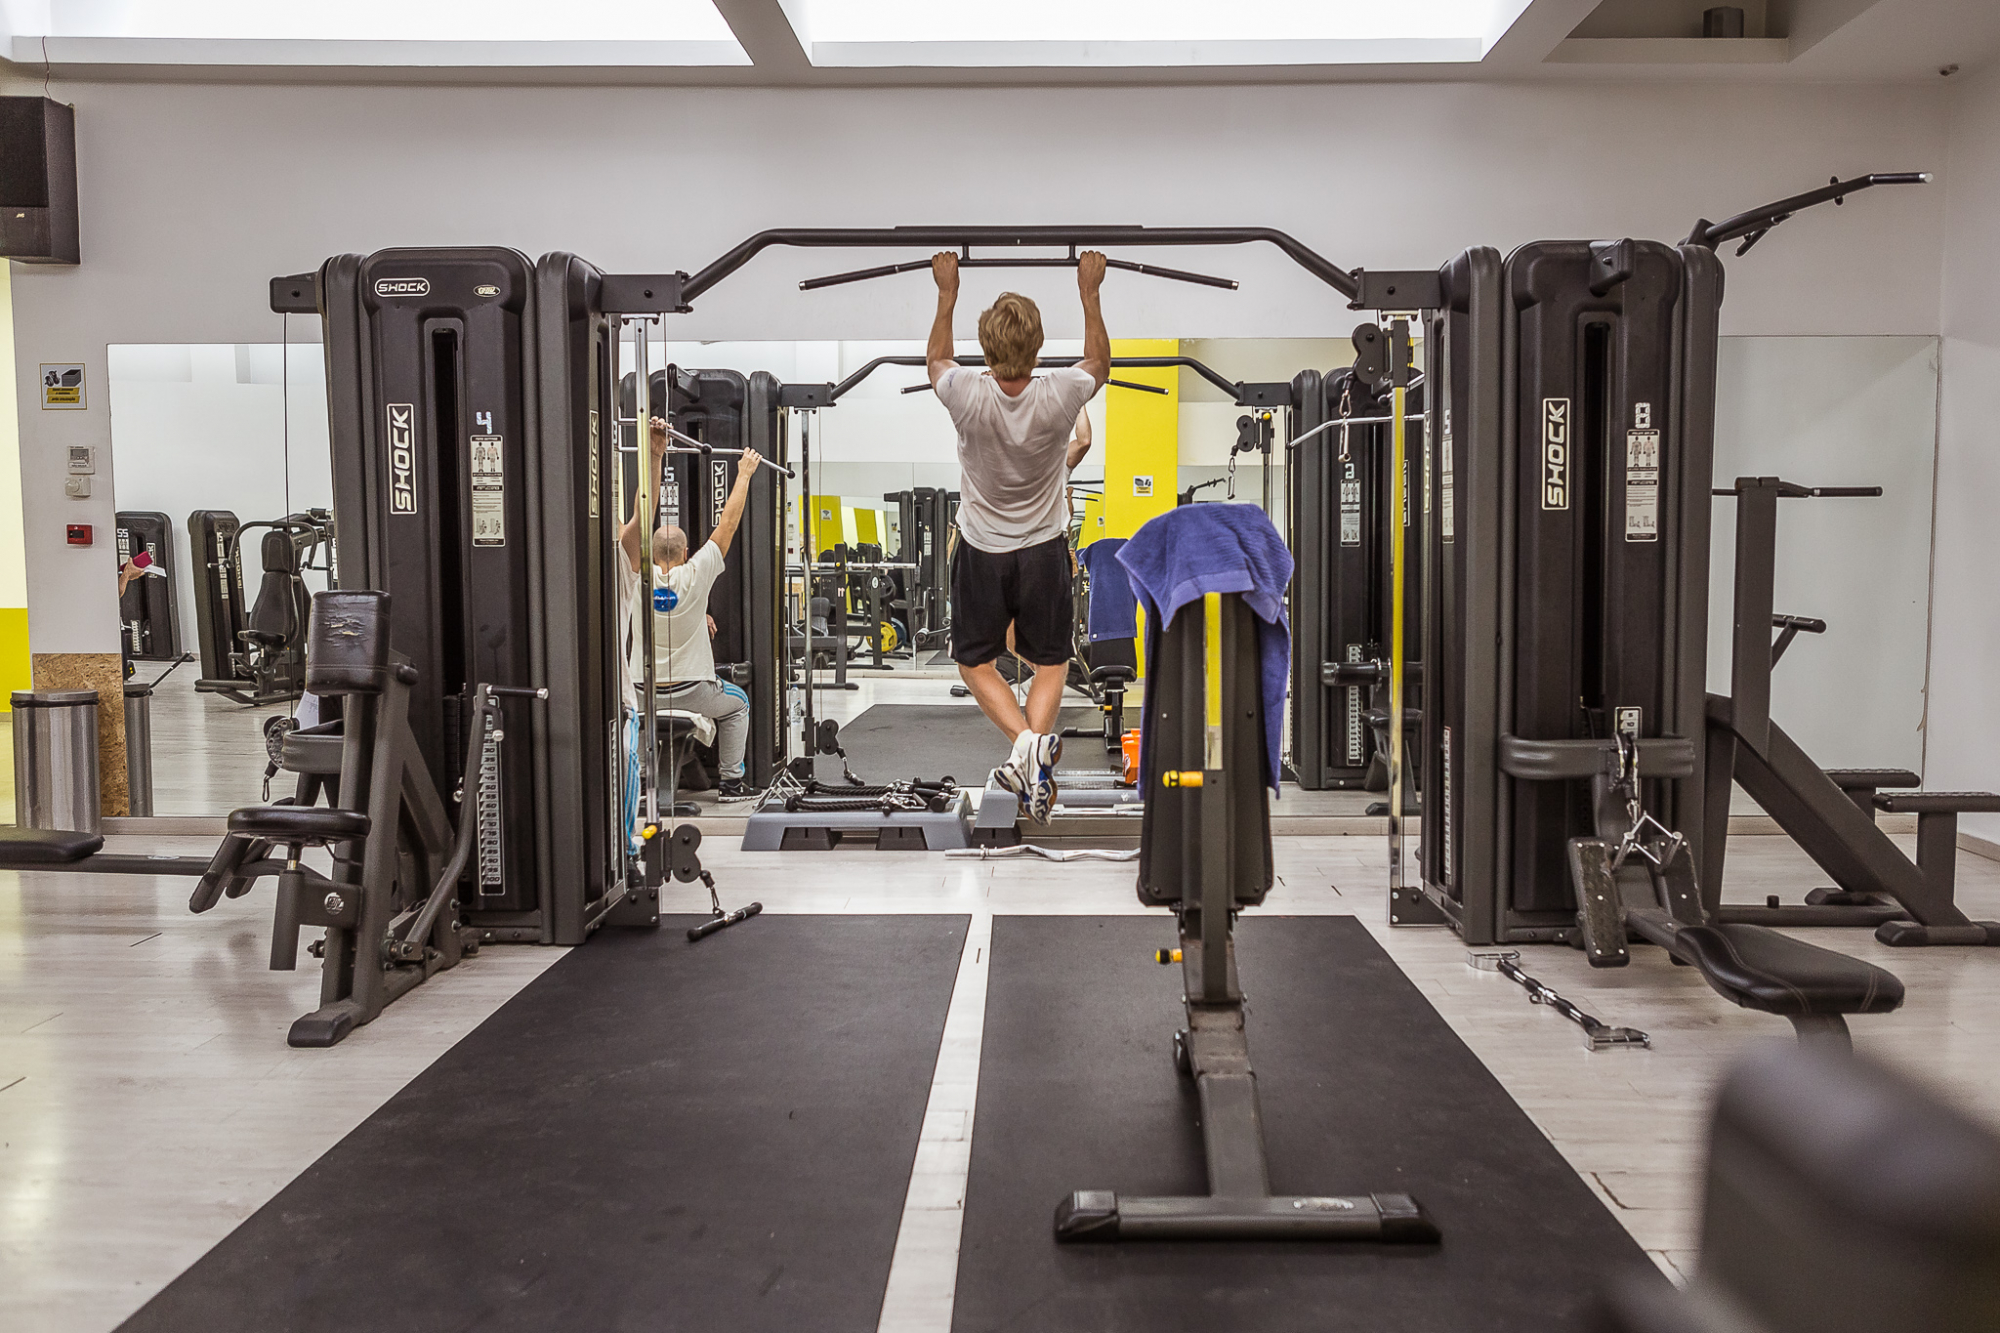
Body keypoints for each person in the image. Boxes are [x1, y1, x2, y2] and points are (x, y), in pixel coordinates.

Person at [928, 249, 1110, 822]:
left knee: (975, 661)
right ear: (1037, 349)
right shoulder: (1059, 394)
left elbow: (935, 358)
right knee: (1051, 662)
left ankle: (1026, 750)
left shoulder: (966, 393)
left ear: (985, 352)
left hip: (982, 548)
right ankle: (1033, 753)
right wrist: (1089, 290)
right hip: (1042, 549)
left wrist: (947, 291)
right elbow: (1099, 362)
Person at [620, 416, 765, 803]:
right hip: (692, 692)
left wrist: (647, 454)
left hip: (641, 689)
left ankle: (636, 783)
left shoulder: (636, 574)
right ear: (686, 553)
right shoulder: (697, 573)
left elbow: (627, 524)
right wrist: (744, 474)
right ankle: (732, 783)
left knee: (629, 715)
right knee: (737, 706)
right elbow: (728, 524)